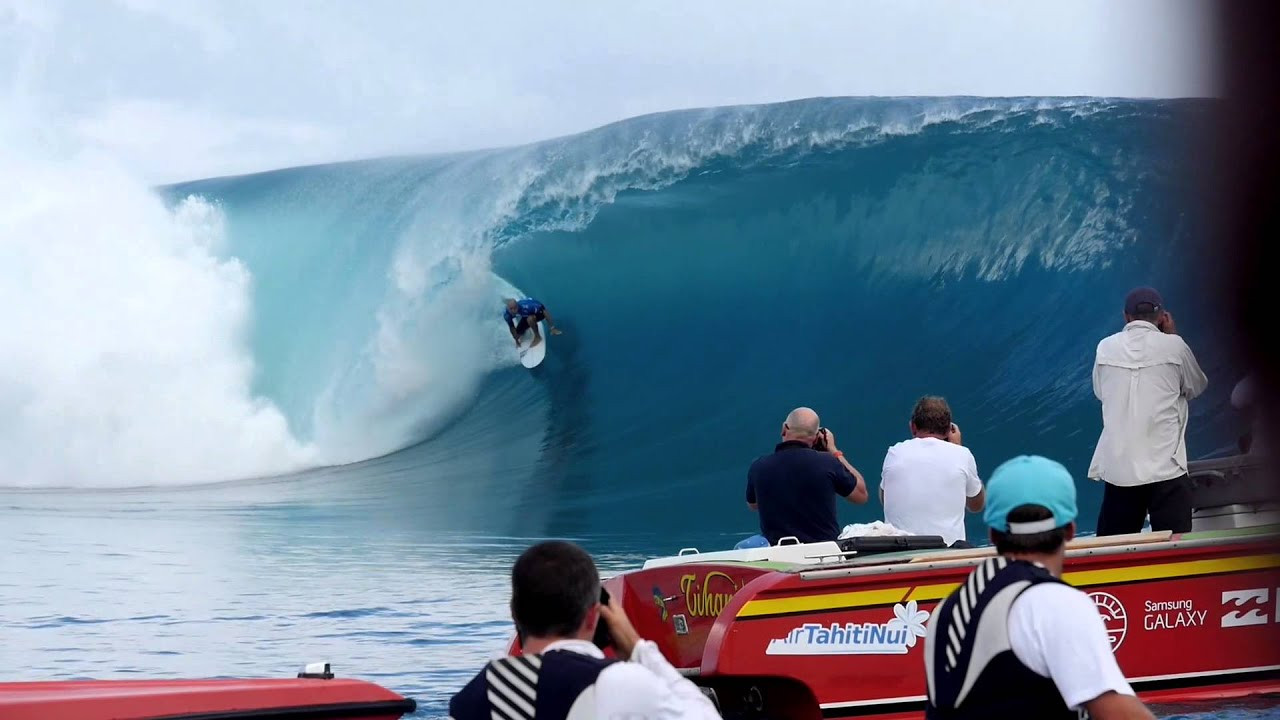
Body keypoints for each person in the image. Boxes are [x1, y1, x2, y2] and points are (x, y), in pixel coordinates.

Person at [923, 455, 1155, 720]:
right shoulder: (1056, 603)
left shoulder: (944, 612)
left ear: (994, 535)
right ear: (1069, 530)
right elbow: (1117, 713)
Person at [447, 540, 721, 720]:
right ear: (594, 616)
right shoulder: (617, 683)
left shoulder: (472, 697)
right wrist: (638, 648)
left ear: (514, 613)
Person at [1088, 286, 1208, 536]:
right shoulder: (1175, 346)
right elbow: (1196, 386)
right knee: (1176, 548)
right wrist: (1172, 337)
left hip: (1120, 470)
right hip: (1166, 468)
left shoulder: (1105, 347)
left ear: (1126, 316)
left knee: (1114, 552)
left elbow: (1101, 392)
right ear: (1162, 316)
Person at [745, 407, 869, 545]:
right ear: (816, 437)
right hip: (824, 552)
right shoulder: (827, 463)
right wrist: (834, 451)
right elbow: (861, 495)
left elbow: (753, 504)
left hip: (777, 554)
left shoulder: (759, 466)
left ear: (784, 428)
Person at [879, 396, 985, 547]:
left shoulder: (894, 452)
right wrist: (958, 448)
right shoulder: (962, 454)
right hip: (946, 554)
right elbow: (976, 505)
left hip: (900, 552)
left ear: (912, 427)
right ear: (949, 430)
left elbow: (886, 499)